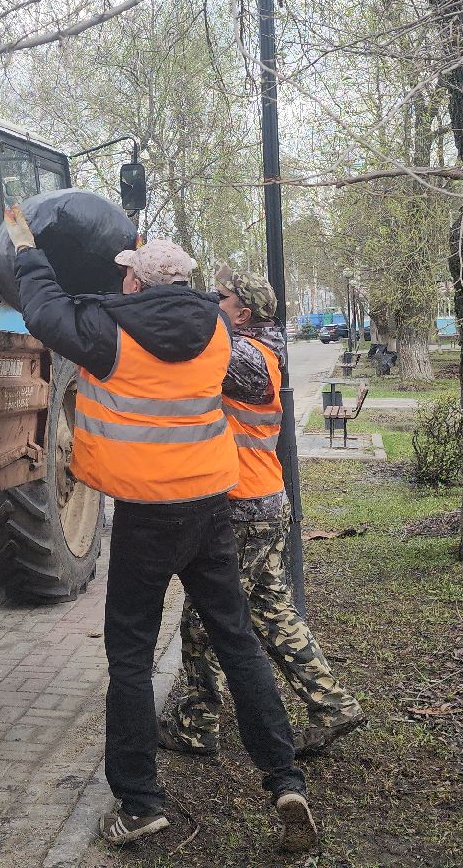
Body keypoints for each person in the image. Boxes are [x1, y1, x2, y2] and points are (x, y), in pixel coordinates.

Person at [0, 209, 317, 853]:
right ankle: (285, 781)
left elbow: (44, 311)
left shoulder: (107, 335)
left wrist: (29, 251)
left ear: (137, 284)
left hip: (145, 517)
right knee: (238, 642)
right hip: (211, 510)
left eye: (128, 277)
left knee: (130, 658)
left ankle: (141, 804)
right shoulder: (220, 331)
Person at [159, 269, 366, 761]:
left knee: (202, 619)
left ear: (244, 314)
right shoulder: (261, 352)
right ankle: (333, 706)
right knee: (272, 611)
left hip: (243, 510)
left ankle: (197, 724)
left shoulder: (247, 358)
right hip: (261, 503)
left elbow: (188, 341)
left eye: (221, 298)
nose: (211, 303)